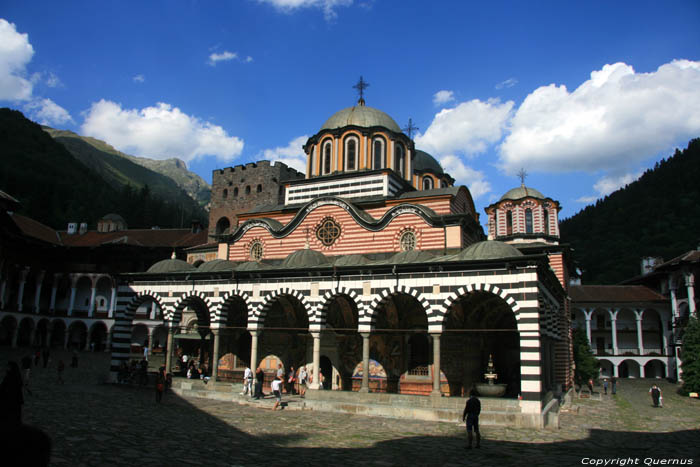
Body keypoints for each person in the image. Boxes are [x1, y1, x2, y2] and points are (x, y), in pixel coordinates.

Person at [0, 361, 24, 428]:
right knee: (15, 413)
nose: (6, 368)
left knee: (10, 413)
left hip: (10, 398)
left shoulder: (10, 376)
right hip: (15, 399)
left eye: (8, 366)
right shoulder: (16, 375)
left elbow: (4, 387)